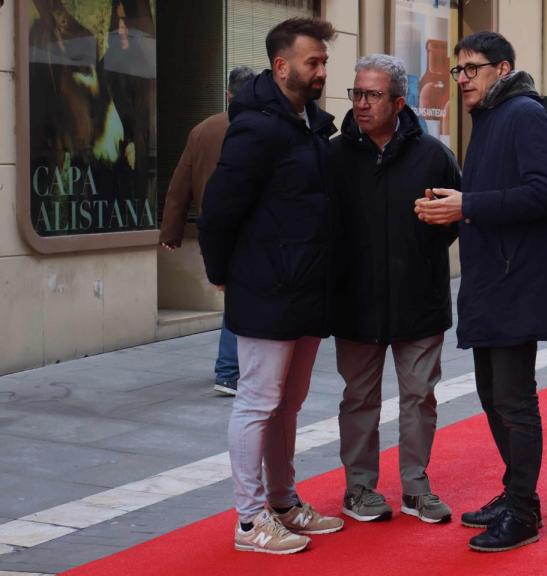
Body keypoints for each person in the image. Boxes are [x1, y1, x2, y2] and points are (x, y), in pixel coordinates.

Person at [414, 31, 547, 552]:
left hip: (517, 281)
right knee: (492, 395)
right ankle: (515, 494)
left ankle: (524, 511)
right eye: (458, 70)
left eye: (473, 69)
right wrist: (456, 204)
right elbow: (495, 195)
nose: (462, 79)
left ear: (502, 69)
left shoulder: (523, 114)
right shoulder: (489, 116)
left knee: (513, 399)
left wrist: (467, 205)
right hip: (493, 279)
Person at [198, 17, 344, 555]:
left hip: (306, 288)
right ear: (281, 66)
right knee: (257, 403)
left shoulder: (310, 124)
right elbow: (218, 211)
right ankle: (248, 520)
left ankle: (283, 503)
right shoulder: (257, 127)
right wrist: (223, 273)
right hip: (267, 287)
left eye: (324, 62)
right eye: (313, 62)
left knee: (288, 405)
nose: (321, 71)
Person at [329, 54, 461, 525]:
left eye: (373, 95)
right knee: (358, 399)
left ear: (400, 102)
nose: (361, 104)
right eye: (357, 93)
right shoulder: (334, 156)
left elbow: (451, 220)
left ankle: (416, 487)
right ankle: (359, 488)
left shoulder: (434, 156)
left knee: (419, 397)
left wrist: (418, 257)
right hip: (355, 300)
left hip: (419, 298)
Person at [160, 66, 256, 397]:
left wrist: (171, 232)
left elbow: (180, 184)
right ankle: (229, 371)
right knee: (242, 299)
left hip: (212, 230)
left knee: (238, 296)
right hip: (247, 230)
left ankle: (236, 368)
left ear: (228, 95)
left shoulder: (203, 130)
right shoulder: (258, 129)